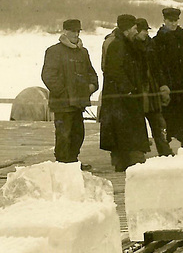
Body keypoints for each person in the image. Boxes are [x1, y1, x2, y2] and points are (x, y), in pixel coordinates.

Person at [41, 19, 99, 164]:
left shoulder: (82, 52)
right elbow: (48, 76)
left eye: (78, 31)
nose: (76, 34)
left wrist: (91, 87)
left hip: (78, 104)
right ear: (65, 31)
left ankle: (73, 162)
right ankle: (62, 164)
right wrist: (64, 93)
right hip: (62, 104)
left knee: (78, 134)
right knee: (63, 135)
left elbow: (91, 74)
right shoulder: (54, 51)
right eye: (73, 31)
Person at [99, 14, 150, 172]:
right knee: (125, 130)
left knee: (124, 131)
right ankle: (130, 161)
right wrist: (128, 88)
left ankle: (125, 161)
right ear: (127, 29)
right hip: (121, 98)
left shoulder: (127, 44)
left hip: (125, 97)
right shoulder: (118, 45)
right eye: (135, 28)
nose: (136, 31)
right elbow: (115, 70)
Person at [152, 7, 183, 144]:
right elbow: (155, 66)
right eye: (170, 21)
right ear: (164, 20)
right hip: (166, 87)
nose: (173, 24)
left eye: (175, 21)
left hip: (182, 87)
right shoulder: (156, 42)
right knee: (166, 122)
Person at [132, 18, 173, 157]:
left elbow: (158, 67)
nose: (146, 33)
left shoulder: (151, 45)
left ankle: (165, 151)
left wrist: (163, 85)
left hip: (152, 90)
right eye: (143, 30)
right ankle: (139, 154)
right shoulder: (131, 47)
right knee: (138, 125)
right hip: (140, 91)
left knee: (158, 123)